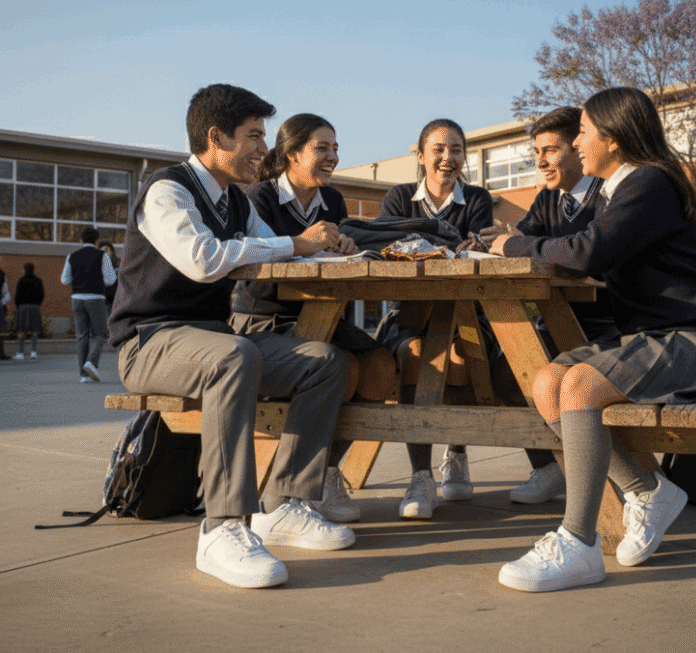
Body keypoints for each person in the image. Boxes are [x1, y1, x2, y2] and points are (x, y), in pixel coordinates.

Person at [489, 87, 696, 592]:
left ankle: (578, 543)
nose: (576, 143)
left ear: (612, 137)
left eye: (582, 133)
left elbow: (588, 252)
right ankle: (647, 489)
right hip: (656, 338)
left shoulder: (649, 183)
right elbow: (582, 244)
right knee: (548, 383)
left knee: (581, 385)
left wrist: (511, 243)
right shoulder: (621, 188)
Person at [108, 83, 355, 590]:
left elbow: (280, 249)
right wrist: (295, 242)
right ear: (216, 137)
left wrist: (339, 249)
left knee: (326, 361)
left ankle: (285, 503)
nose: (264, 149)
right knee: (235, 356)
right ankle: (222, 528)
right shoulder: (167, 189)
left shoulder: (237, 203)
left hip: (213, 338)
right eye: (254, 136)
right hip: (149, 341)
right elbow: (202, 261)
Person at [230, 113, 397, 523]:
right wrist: (306, 245)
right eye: (322, 148)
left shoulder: (333, 201)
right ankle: (298, 488)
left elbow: (328, 254)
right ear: (292, 154)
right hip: (265, 317)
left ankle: (325, 471)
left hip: (321, 313)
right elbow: (255, 275)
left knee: (379, 367)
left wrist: (344, 247)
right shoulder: (259, 198)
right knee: (345, 368)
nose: (332, 157)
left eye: (336, 148)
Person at [479, 107, 620, 505]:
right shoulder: (548, 199)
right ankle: (552, 467)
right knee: (505, 368)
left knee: (570, 383)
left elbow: (584, 254)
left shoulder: (609, 194)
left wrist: (517, 243)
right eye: (536, 152)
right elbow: (520, 242)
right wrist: (494, 242)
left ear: (578, 146)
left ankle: (605, 474)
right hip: (557, 318)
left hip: (608, 323)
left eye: (551, 150)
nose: (541, 161)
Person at [375, 118, 494, 519]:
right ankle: (420, 476)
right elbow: (389, 246)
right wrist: (445, 246)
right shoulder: (398, 197)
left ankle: (456, 452)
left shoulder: (476, 198)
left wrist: (424, 244)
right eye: (439, 149)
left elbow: (475, 249)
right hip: (408, 311)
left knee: (461, 359)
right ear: (421, 154)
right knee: (414, 356)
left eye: (456, 149)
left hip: (466, 312)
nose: (448, 158)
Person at [61, 227, 117, 383]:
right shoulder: (102, 255)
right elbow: (111, 279)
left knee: (81, 336)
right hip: (96, 298)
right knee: (101, 333)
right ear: (97, 241)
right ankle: (91, 362)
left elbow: (64, 280)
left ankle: (83, 375)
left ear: (81, 241)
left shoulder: (72, 256)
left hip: (77, 298)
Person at [13, 263, 45, 360]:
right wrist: (37, 303)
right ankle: (33, 352)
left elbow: (17, 295)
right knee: (34, 330)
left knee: (21, 330)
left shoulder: (21, 280)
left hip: (22, 306)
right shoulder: (38, 280)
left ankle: (20, 353)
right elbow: (42, 294)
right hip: (34, 306)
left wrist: (19, 305)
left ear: (24, 269)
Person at [98, 241, 120, 315]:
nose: (106, 253)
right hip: (101, 298)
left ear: (112, 251)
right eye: (104, 250)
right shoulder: (96, 263)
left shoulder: (117, 264)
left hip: (115, 298)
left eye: (108, 250)